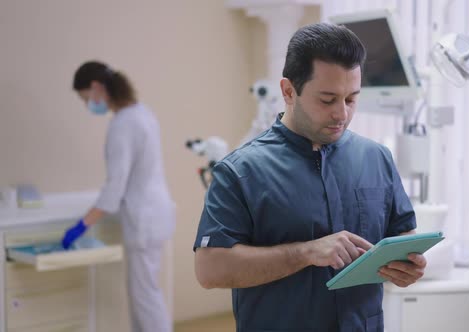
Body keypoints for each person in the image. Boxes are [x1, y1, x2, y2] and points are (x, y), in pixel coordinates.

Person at [193, 23, 426, 332]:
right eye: (327, 100)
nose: (341, 114)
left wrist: (408, 263)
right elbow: (210, 270)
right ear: (289, 91)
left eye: (351, 99)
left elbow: (403, 234)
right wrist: (306, 252)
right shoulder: (241, 171)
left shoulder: (376, 157)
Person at [62, 61, 175, 332]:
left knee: (145, 298)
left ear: (97, 88)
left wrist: (81, 225)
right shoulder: (142, 113)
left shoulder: (122, 125)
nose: (88, 104)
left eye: (86, 98)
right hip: (156, 212)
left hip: (144, 219)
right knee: (145, 295)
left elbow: (114, 189)